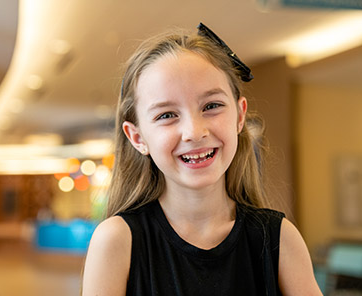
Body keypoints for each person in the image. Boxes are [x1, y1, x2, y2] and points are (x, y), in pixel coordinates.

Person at [82, 23, 322, 296]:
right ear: (137, 138)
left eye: (211, 106)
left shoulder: (278, 238)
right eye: (166, 115)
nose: (194, 132)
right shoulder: (117, 240)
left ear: (240, 116)